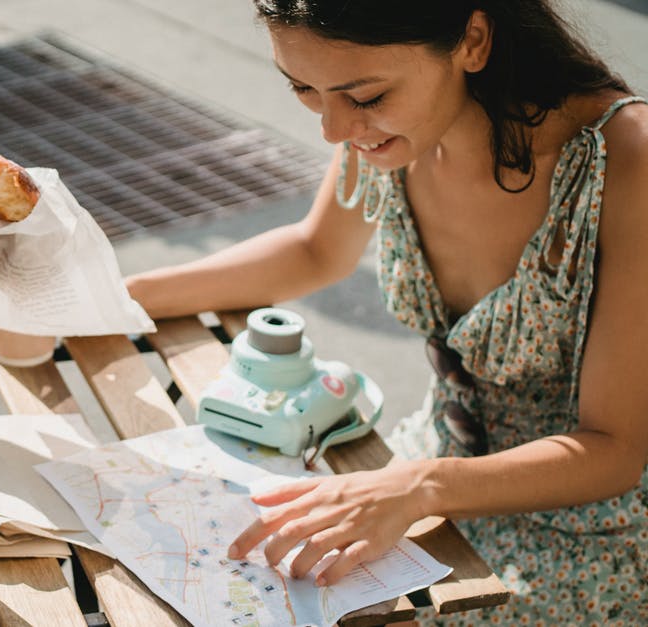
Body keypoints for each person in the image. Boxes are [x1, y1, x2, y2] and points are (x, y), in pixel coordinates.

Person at [126, 0, 648, 623]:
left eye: (365, 97)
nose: (332, 129)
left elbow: (616, 449)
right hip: (422, 476)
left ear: (473, 41)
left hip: (592, 536)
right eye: (303, 89)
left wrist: (418, 486)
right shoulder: (385, 129)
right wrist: (110, 301)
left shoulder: (624, 161)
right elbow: (314, 250)